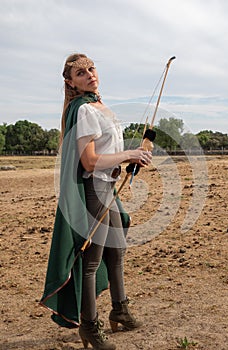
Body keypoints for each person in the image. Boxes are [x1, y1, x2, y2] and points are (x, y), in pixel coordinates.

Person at [40, 53, 152, 350]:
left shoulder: (99, 106)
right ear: (70, 83)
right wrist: (129, 154)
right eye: (80, 73)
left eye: (91, 68)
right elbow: (89, 162)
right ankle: (90, 327)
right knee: (91, 263)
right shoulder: (85, 110)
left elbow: (106, 152)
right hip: (95, 190)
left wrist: (132, 155)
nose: (89, 74)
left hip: (109, 187)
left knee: (117, 251)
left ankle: (120, 309)